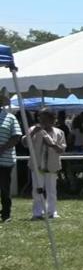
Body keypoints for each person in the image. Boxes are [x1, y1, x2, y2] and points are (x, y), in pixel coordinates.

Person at [26, 108, 66, 220]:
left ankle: (52, 212)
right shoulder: (33, 129)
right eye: (40, 118)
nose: (42, 121)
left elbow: (62, 150)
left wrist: (52, 145)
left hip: (51, 165)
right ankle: (37, 212)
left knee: (51, 190)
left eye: (45, 119)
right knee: (37, 190)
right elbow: (24, 143)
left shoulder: (59, 132)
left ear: (52, 119)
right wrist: (33, 133)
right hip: (37, 165)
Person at [0, 94, 23, 223]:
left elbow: (16, 136)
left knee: (4, 188)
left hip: (5, 160)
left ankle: (6, 214)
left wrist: (2, 149)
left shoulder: (10, 117)